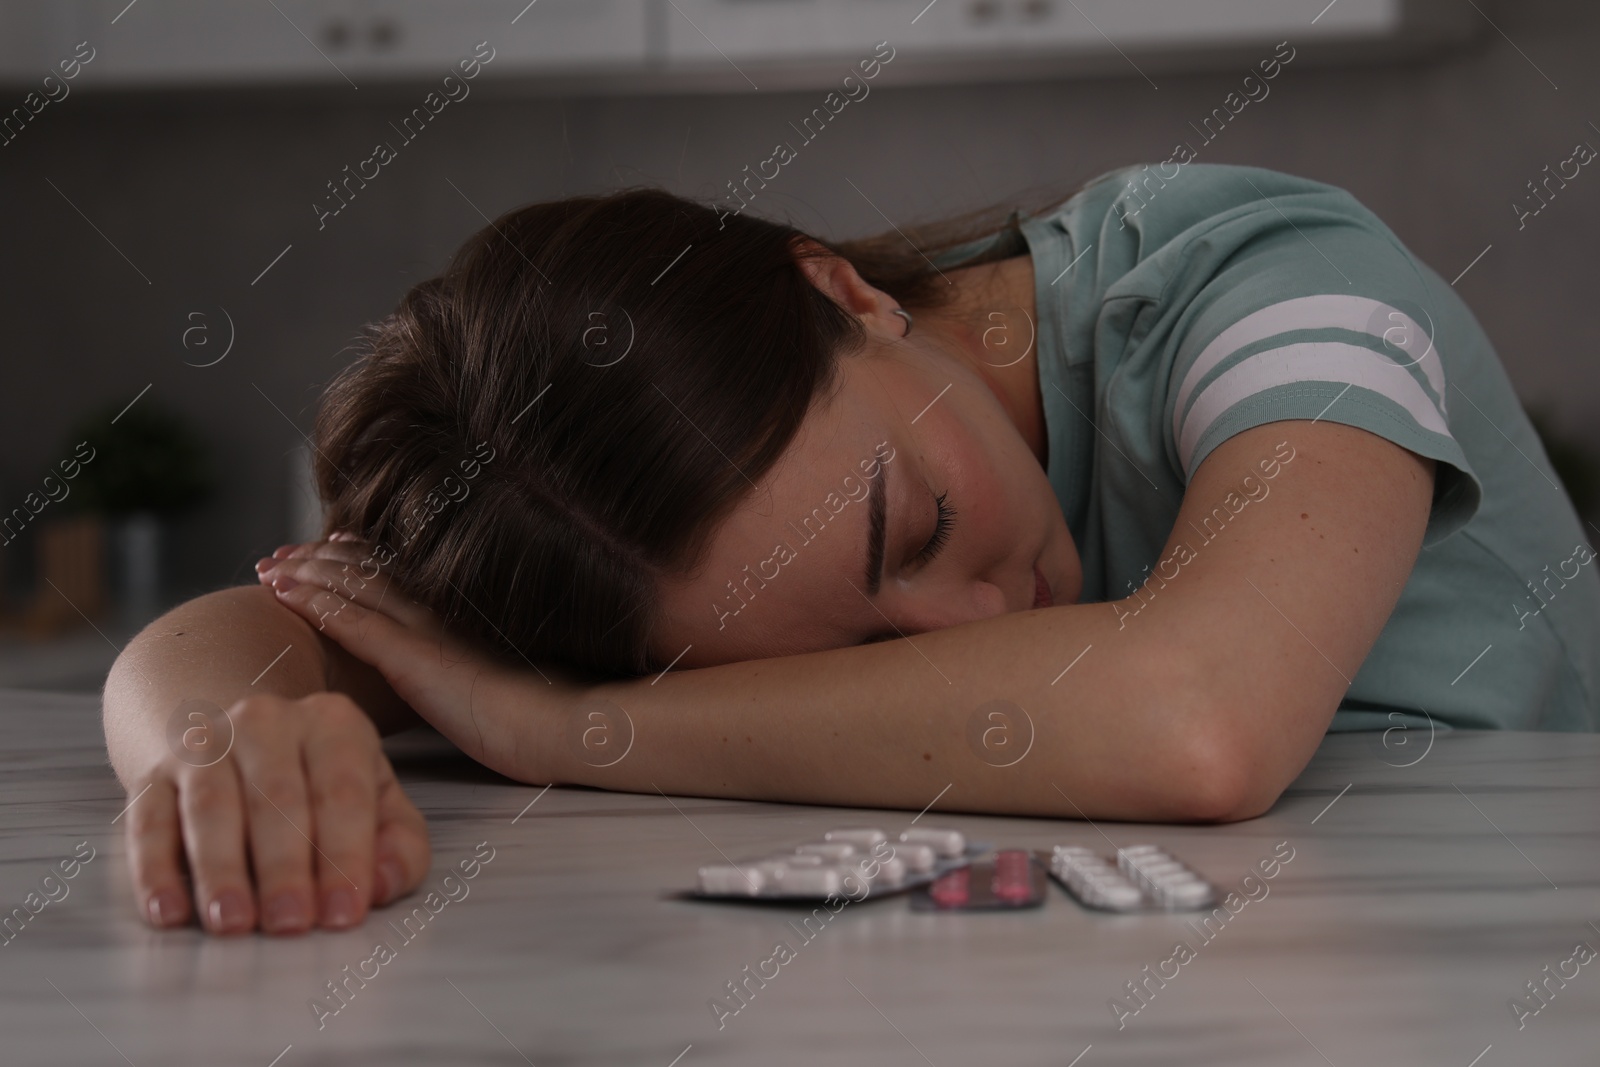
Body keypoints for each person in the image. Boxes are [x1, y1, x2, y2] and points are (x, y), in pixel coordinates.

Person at [103, 162, 1600, 937]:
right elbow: (262, 635)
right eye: (861, 661)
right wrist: (222, 757)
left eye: (922, 524)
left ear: (848, 293)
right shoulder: (618, 535)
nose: (972, 620)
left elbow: (1198, 723)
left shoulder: (1256, 284)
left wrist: (563, 726)